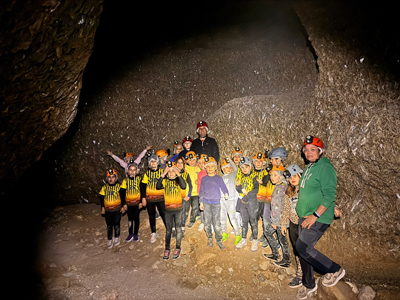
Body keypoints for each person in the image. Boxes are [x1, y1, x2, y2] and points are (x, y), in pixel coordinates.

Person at [295, 135, 345, 300]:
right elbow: (317, 192)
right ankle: (309, 285)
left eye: (313, 150)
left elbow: (330, 193)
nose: (309, 153)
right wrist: (332, 205)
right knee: (303, 251)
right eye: (306, 150)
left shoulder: (325, 168)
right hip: (305, 214)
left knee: (302, 247)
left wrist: (316, 215)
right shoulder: (310, 167)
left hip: (317, 217)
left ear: (320, 151)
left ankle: (335, 269)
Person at [156, 161, 186, 260]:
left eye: (173, 171)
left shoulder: (179, 181)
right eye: (170, 172)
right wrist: (164, 173)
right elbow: (157, 186)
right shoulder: (165, 181)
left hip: (178, 209)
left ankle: (178, 247)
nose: (171, 173)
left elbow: (184, 186)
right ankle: (167, 248)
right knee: (168, 230)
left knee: (178, 229)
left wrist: (178, 174)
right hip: (168, 210)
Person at [280, 164, 304, 287]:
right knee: (296, 248)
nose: (293, 179)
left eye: (295, 176)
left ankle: (302, 275)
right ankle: (300, 272)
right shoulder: (289, 192)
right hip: (293, 224)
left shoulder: (306, 190)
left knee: (303, 249)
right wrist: (284, 224)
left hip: (304, 223)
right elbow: (286, 209)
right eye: (290, 178)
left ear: (301, 175)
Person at [263, 165, 291, 269]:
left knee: (282, 240)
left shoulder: (283, 187)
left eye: (275, 175)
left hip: (280, 221)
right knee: (267, 232)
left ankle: (286, 261)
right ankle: (276, 255)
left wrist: (276, 222)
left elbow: (281, 207)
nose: (272, 177)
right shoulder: (279, 185)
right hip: (275, 219)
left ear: (281, 175)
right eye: (271, 175)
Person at [199, 156, 229, 250]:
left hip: (216, 203)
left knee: (217, 223)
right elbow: (201, 191)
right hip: (206, 203)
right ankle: (210, 237)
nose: (210, 168)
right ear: (205, 168)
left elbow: (223, 187)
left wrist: (226, 193)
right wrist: (201, 202)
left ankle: (219, 240)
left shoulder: (219, 178)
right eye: (208, 166)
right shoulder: (204, 179)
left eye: (212, 166)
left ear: (215, 167)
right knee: (207, 222)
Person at [235, 157, 260, 251]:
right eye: (242, 167)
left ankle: (255, 239)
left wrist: (248, 194)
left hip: (251, 202)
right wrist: (241, 189)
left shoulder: (254, 176)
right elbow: (237, 187)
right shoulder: (240, 177)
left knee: (253, 221)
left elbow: (256, 189)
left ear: (250, 166)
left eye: (246, 167)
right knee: (244, 220)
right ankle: (244, 239)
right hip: (243, 202)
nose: (244, 169)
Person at [99, 169, 127, 249]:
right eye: (109, 177)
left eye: (113, 177)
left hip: (117, 210)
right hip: (108, 210)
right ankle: (110, 239)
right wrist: (103, 208)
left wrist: (123, 206)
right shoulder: (104, 187)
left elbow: (122, 197)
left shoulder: (119, 187)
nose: (111, 179)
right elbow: (101, 198)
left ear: (116, 178)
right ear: (107, 179)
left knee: (117, 224)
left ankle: (117, 237)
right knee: (109, 225)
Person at [140, 153, 165, 243]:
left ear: (157, 162)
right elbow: (143, 185)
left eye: (154, 161)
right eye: (151, 162)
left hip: (160, 198)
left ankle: (168, 229)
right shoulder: (147, 173)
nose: (153, 163)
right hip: (150, 198)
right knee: (151, 215)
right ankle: (153, 232)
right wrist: (143, 198)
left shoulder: (162, 172)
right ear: (149, 163)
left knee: (163, 214)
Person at [120, 160, 143, 243]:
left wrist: (141, 202)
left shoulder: (139, 179)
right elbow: (122, 193)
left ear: (137, 171)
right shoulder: (125, 181)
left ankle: (136, 234)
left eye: (134, 170)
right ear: (127, 171)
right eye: (130, 170)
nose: (132, 171)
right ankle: (130, 233)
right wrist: (123, 204)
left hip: (137, 203)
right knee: (130, 218)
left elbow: (142, 191)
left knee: (136, 218)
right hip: (129, 204)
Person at [220, 158, 241, 245]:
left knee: (232, 217)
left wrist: (230, 160)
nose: (228, 169)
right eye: (226, 167)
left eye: (230, 167)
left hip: (231, 200)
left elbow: (236, 168)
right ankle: (224, 232)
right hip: (222, 200)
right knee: (222, 217)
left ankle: (237, 233)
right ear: (222, 169)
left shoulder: (232, 175)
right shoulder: (220, 178)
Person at [252, 152, 270, 246]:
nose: (258, 163)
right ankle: (254, 233)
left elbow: (267, 183)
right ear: (253, 162)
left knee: (264, 217)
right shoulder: (251, 172)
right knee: (254, 217)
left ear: (264, 162)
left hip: (263, 199)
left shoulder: (266, 172)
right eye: (256, 161)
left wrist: (262, 181)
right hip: (254, 199)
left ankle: (265, 235)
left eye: (260, 161)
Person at [174, 156, 192, 237]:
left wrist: (189, 195)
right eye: (178, 163)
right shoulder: (172, 173)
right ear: (175, 164)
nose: (180, 164)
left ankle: (182, 228)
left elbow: (190, 185)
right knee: (175, 213)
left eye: (181, 163)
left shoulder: (186, 174)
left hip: (183, 197)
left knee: (183, 213)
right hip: (173, 198)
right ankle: (174, 229)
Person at [183, 151, 201, 229]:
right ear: (186, 161)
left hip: (196, 193)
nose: (192, 162)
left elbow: (201, 179)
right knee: (185, 208)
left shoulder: (198, 169)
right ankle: (183, 221)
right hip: (187, 193)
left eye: (193, 160)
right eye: (189, 160)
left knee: (195, 207)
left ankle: (192, 221)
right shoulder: (185, 168)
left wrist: (198, 181)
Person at [196, 153, 208, 231]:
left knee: (209, 209)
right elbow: (200, 184)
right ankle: (202, 222)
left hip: (209, 194)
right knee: (202, 209)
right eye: (199, 163)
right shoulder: (200, 173)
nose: (201, 164)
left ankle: (210, 223)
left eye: (203, 162)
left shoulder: (210, 171)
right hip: (201, 194)